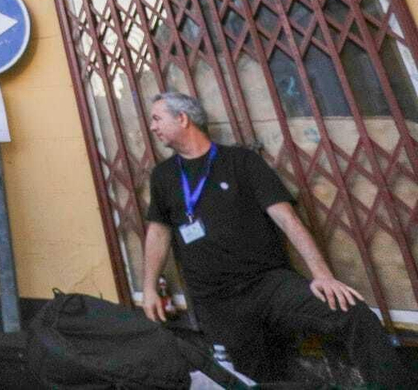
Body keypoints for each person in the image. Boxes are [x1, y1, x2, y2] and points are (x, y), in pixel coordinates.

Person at [140, 91, 413, 386]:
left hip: (267, 284)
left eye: (157, 119)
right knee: (256, 378)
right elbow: (158, 232)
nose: (152, 127)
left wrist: (322, 275)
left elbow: (286, 218)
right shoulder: (163, 176)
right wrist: (148, 288)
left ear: (183, 119)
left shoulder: (241, 161)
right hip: (216, 302)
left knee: (354, 316)